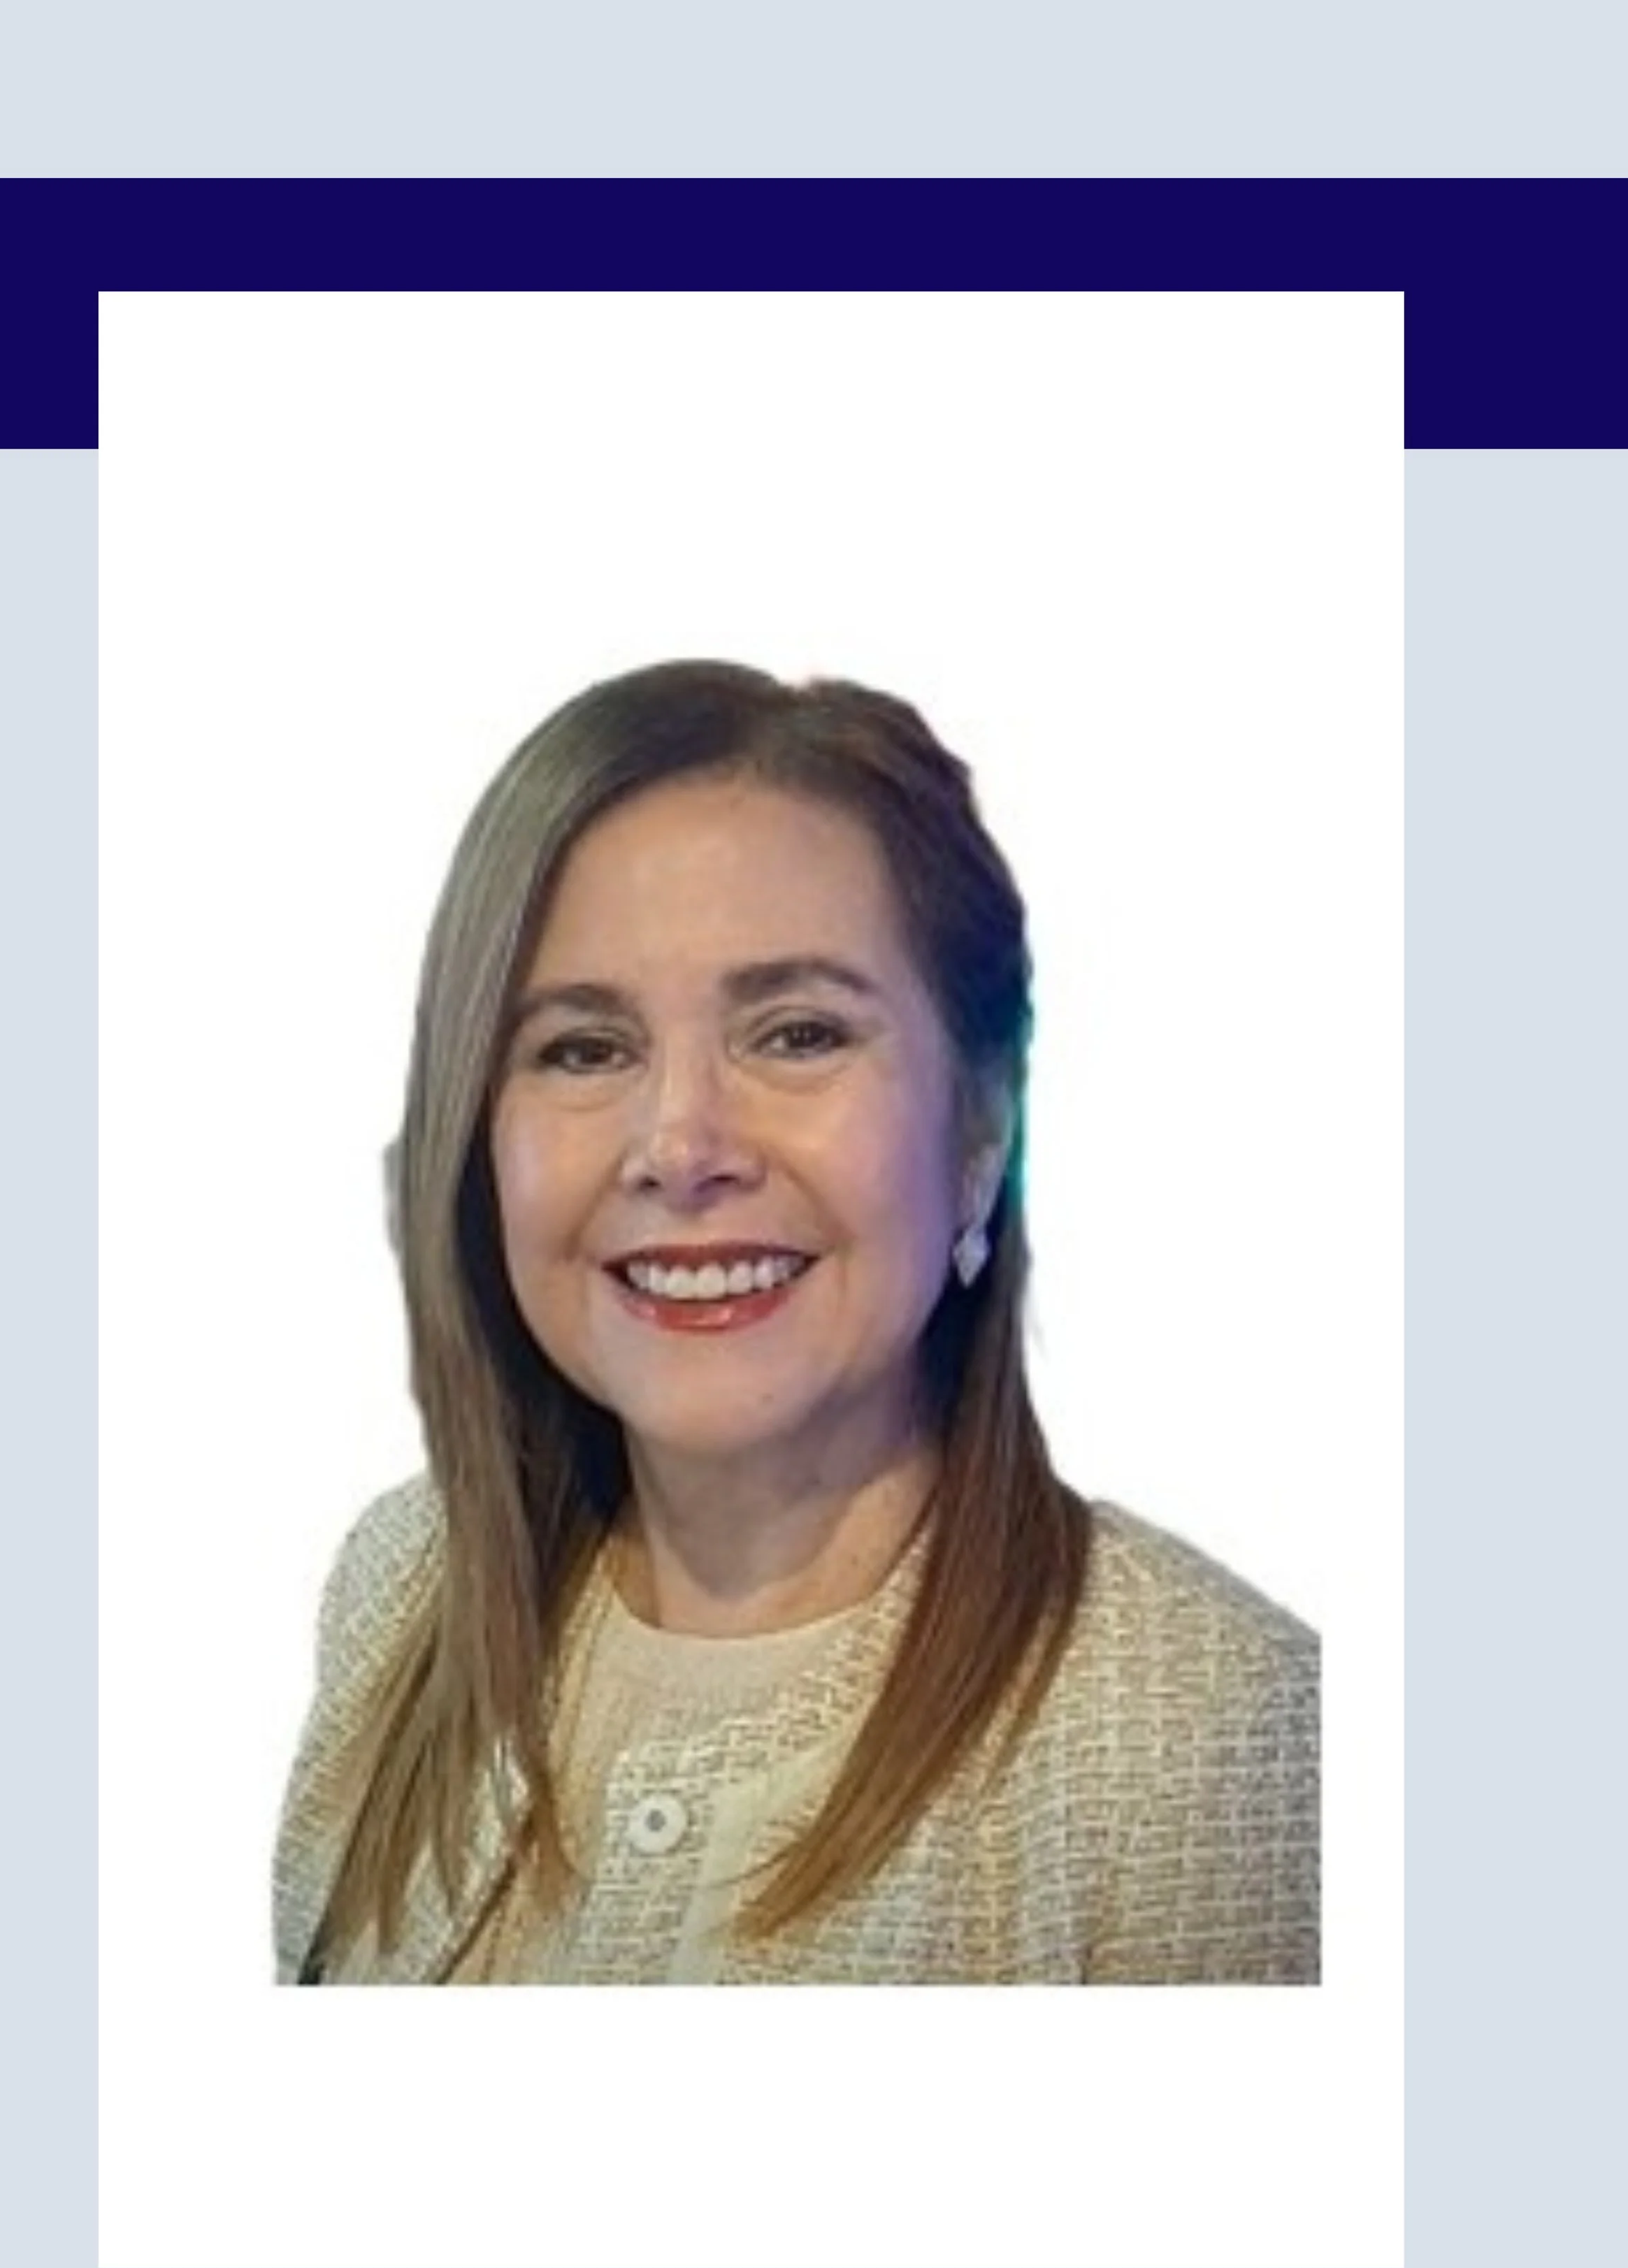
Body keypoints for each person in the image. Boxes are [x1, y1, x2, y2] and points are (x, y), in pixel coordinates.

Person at [274, 660, 1318, 1986]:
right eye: (584, 1049)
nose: (679, 1146)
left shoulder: (1215, 1739)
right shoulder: (399, 1591)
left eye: (798, 1034)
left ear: (982, 1131)